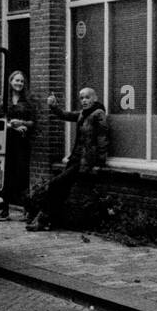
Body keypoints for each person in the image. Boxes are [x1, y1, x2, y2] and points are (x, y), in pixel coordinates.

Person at [25, 86, 109, 231]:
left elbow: (103, 138)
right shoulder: (83, 113)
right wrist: (54, 106)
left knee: (55, 184)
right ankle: (49, 220)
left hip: (84, 161)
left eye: (87, 97)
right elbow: (65, 115)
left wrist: (100, 162)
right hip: (74, 159)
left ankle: (43, 219)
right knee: (61, 189)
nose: (84, 101)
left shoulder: (98, 114)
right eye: (81, 98)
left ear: (95, 98)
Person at [0, 70, 37, 221]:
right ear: (10, 82)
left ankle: (27, 210)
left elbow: (33, 122)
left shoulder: (28, 101)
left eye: (22, 81)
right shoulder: (1, 100)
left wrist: (22, 123)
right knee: (6, 175)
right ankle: (4, 211)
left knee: (22, 174)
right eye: (16, 80)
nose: (19, 83)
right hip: (6, 140)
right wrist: (12, 126)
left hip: (22, 141)